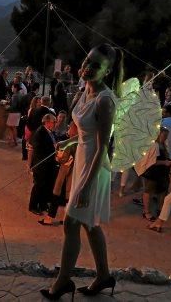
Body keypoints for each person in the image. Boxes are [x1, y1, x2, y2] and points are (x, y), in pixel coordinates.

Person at [42, 43, 123, 300]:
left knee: (70, 222)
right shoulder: (86, 91)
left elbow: (102, 148)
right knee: (89, 225)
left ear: (107, 72)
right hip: (81, 161)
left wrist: (86, 187)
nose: (87, 67)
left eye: (95, 66)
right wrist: (69, 142)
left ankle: (63, 281)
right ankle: (104, 276)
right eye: (88, 61)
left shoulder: (105, 100)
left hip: (95, 168)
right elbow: (87, 135)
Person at [43, 120, 78, 226]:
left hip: (65, 170)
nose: (69, 130)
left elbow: (63, 158)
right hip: (74, 171)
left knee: (56, 194)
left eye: (70, 128)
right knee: (68, 196)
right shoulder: (80, 142)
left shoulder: (70, 143)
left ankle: (49, 218)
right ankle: (65, 218)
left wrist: (57, 156)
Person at [28, 114, 58, 217]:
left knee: (46, 186)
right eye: (54, 122)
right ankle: (33, 206)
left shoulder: (49, 132)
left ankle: (42, 204)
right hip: (41, 165)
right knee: (38, 186)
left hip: (49, 165)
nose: (55, 124)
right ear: (47, 122)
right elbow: (38, 149)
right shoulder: (40, 132)